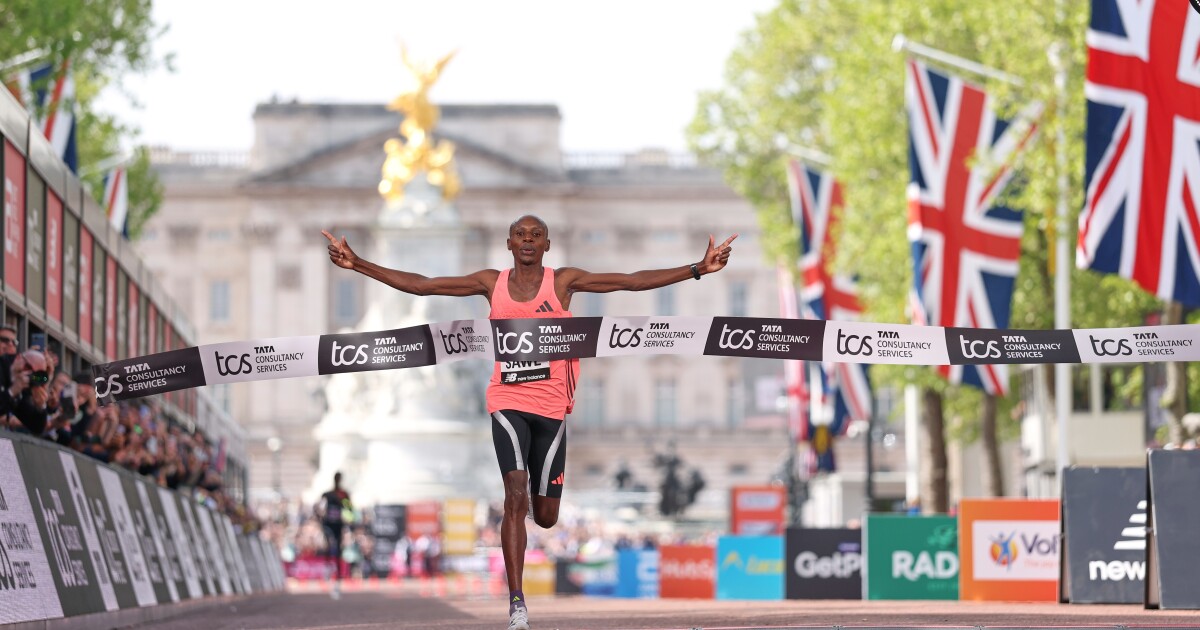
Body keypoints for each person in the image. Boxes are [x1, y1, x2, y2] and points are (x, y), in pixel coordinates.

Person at [323, 215, 736, 630]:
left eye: (535, 235)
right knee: (514, 496)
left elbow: (630, 280)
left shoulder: (563, 283)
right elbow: (424, 285)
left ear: (547, 245)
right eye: (520, 235)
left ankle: (536, 523)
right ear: (508, 243)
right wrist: (358, 263)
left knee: (546, 515)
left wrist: (697, 268)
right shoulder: (491, 283)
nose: (527, 240)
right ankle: (517, 600)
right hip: (506, 399)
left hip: (552, 407)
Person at [315, 472, 354, 600]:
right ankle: (328, 569)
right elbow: (318, 507)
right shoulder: (327, 494)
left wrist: (345, 506)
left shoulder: (343, 494)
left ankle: (336, 578)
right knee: (328, 546)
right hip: (328, 524)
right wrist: (320, 518)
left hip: (338, 525)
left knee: (337, 550)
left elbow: (350, 509)